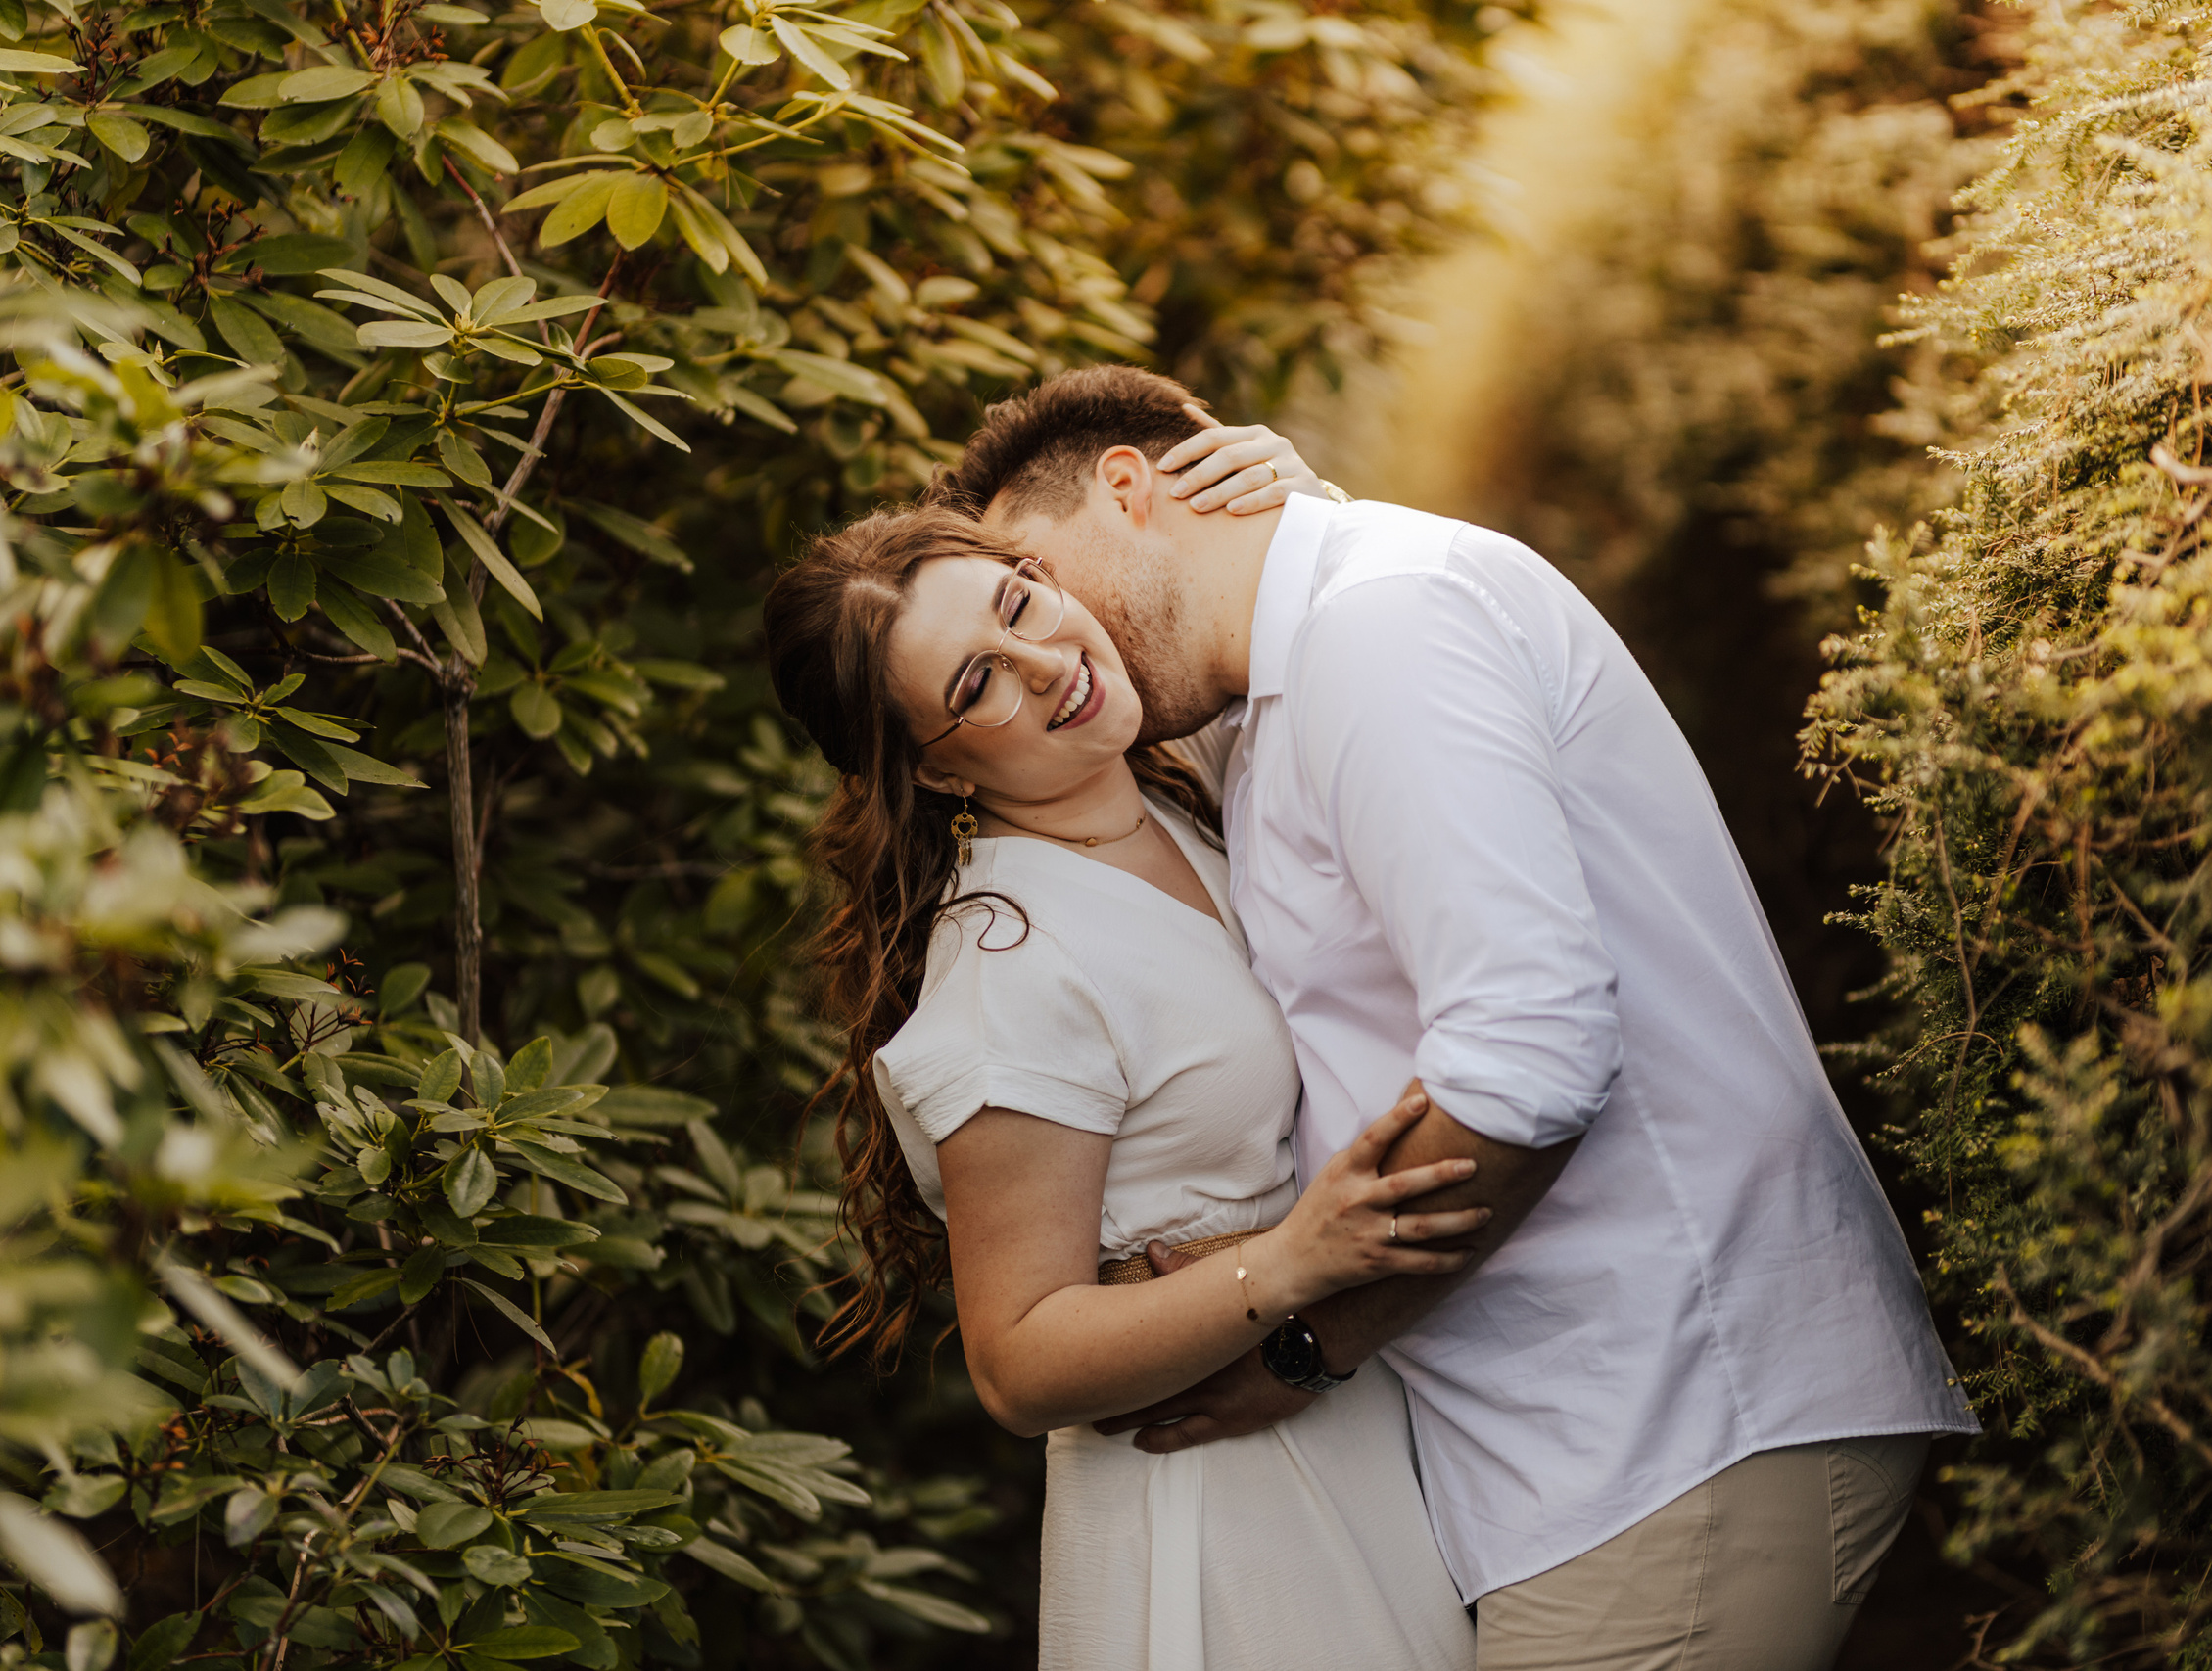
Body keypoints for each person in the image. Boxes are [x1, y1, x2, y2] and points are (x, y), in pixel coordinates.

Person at [923, 366, 1983, 1671]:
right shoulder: (1275, 686)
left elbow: (1527, 1055)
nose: (1055, 645)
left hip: (1676, 1409)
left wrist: (1310, 1339)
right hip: (1586, 1438)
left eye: (1032, 580)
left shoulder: (1383, 625)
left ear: (1133, 488)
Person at [760, 444, 1482, 1671]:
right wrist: (1290, 1258)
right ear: (936, 768)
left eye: (1020, 601)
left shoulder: (1179, 797)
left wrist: (1292, 489)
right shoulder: (1009, 964)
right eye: (980, 680)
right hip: (1221, 1507)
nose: (1051, 665)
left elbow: (1228, 578)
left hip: (1350, 1437)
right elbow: (1019, 1356)